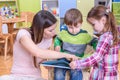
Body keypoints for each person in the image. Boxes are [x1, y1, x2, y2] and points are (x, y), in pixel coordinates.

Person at [0, 10, 78, 80]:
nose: (54, 32)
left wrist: (49, 63)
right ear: (40, 29)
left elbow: (43, 58)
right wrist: (65, 55)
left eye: (54, 29)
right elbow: (37, 52)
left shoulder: (48, 39)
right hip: (17, 76)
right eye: (50, 30)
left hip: (35, 77)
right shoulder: (23, 34)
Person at [70, 5, 120, 80]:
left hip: (102, 75)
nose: (93, 27)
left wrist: (78, 64)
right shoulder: (114, 33)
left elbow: (97, 57)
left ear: (103, 20)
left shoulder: (105, 37)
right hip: (112, 74)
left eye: (93, 24)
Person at [54, 8, 97, 80]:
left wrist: (97, 49)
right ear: (66, 24)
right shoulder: (63, 33)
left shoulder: (85, 35)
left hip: (77, 60)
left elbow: (95, 41)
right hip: (63, 58)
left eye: (77, 27)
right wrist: (57, 45)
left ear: (81, 23)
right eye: (70, 27)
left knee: (76, 74)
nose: (73, 30)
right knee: (58, 73)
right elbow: (57, 39)